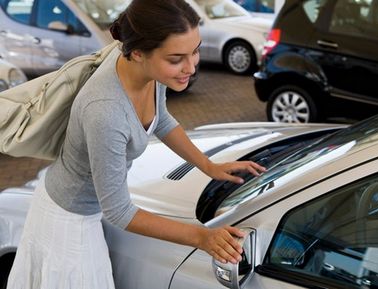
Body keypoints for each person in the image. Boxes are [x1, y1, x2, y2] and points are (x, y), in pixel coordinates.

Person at [6, 0, 266, 288]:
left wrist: (208, 166)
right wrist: (202, 238)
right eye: (176, 58)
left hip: (87, 209)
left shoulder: (145, 70)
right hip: (68, 220)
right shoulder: (105, 111)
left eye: (195, 51)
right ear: (139, 53)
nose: (190, 67)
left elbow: (161, 118)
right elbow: (118, 211)